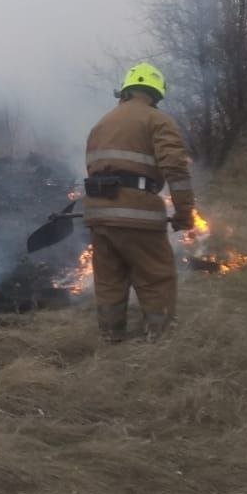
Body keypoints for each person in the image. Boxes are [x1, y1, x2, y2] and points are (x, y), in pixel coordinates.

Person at [82, 63, 197, 342]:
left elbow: (93, 168)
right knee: (156, 276)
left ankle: (111, 335)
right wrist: (185, 212)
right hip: (138, 213)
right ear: (155, 94)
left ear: (126, 90)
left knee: (109, 280)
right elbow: (176, 169)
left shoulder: (101, 124)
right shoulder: (157, 120)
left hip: (98, 214)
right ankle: (159, 337)